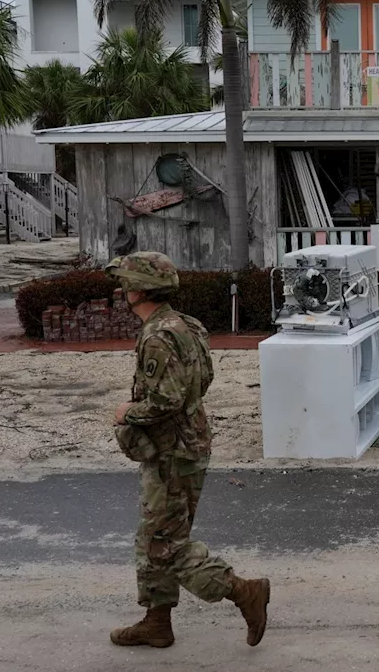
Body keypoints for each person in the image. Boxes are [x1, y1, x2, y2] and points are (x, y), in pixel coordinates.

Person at [105, 252, 270, 649]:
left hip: (171, 454)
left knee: (166, 544)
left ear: (139, 288)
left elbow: (167, 400)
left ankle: (244, 591)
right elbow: (203, 379)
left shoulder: (160, 335)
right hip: (184, 445)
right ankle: (157, 622)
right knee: (155, 537)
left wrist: (127, 413)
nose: (121, 288)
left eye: (126, 282)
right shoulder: (186, 325)